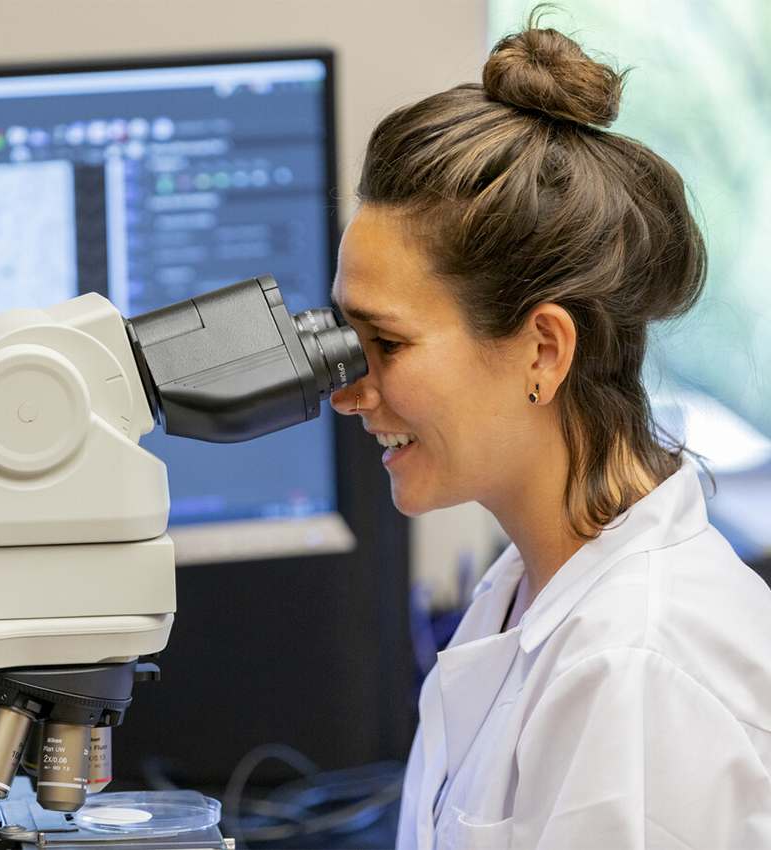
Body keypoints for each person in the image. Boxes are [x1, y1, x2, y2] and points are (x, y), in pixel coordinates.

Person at [329, 17, 771, 850]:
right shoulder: (526, 591)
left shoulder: (638, 669)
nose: (349, 391)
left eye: (386, 344)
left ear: (543, 348)